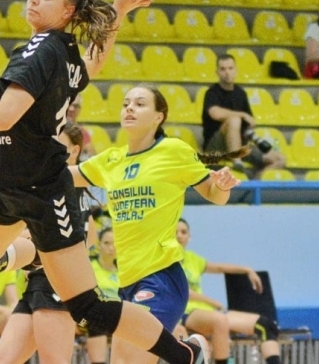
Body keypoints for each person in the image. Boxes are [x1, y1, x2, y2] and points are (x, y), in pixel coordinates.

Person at [0, 0, 211, 364]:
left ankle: (184, 354)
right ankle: (39, 254)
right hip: (5, 186)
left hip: (43, 191)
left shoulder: (41, 49)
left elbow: (5, 114)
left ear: (67, 11)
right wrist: (120, 9)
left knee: (88, 309)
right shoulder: (62, 50)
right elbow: (92, 64)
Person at [71, 84, 245, 364]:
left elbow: (214, 194)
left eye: (140, 104)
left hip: (161, 278)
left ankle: (191, 353)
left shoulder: (173, 151)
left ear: (158, 117)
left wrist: (222, 186)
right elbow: (63, 177)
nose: (129, 108)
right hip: (127, 282)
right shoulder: (111, 159)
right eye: (126, 103)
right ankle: (191, 352)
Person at [0, 121, 103, 364]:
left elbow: (78, 236)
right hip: (39, 282)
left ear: (74, 150)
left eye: (56, 144)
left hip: (57, 283)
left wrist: (26, 244)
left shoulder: (61, 186)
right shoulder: (69, 186)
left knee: (54, 361)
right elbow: (90, 236)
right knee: (0, 360)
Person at [176, 219, 283, 364]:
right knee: (219, 320)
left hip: (208, 312)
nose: (179, 235)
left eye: (183, 232)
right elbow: (184, 292)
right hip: (185, 312)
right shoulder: (166, 260)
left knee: (266, 325)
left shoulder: (193, 259)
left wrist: (247, 270)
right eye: (175, 232)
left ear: (190, 236)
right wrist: (215, 303)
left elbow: (220, 268)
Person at [202, 54, 286, 176]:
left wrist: (250, 127)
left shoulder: (241, 93)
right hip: (216, 147)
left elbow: (248, 123)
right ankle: (237, 161)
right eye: (223, 69)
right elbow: (215, 113)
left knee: (279, 159)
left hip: (239, 144)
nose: (227, 72)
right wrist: (242, 115)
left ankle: (255, 182)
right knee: (234, 120)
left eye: (230, 68)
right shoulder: (212, 92)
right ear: (217, 72)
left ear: (236, 70)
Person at [86, 226, 119, 364]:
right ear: (99, 245)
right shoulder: (88, 266)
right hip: (91, 315)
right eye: (107, 243)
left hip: (118, 316)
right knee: (98, 321)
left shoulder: (124, 271)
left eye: (115, 244)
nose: (111, 248)